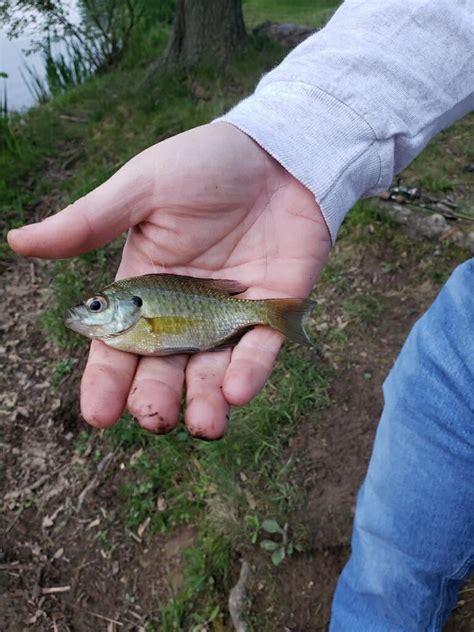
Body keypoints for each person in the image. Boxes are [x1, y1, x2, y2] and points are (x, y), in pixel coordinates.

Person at [7, 0, 474, 629]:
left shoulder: (144, 311)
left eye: (96, 306)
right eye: (93, 306)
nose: (90, 312)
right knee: (392, 556)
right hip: (458, 339)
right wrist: (286, 140)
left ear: (123, 308)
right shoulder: (142, 316)